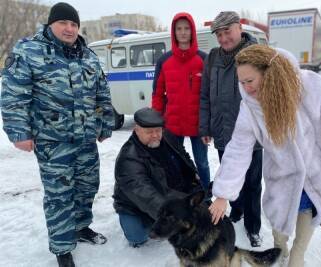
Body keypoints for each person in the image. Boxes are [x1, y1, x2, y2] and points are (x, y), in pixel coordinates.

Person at [209, 44, 321, 267]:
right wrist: (223, 194)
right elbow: (238, 149)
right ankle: (281, 248)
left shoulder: (310, 86)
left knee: (307, 218)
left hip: (318, 171)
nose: (246, 88)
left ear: (268, 73)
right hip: (282, 176)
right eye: (241, 82)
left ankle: (297, 256)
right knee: (280, 227)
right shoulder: (251, 107)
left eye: (249, 81)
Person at [1, 2, 114, 267]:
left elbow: (102, 93)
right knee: (59, 195)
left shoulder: (87, 55)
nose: (69, 28)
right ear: (51, 24)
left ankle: (80, 227)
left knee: (87, 187)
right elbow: (14, 95)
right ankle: (62, 248)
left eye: (74, 24)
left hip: (86, 138)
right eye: (63, 22)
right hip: (53, 142)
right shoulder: (29, 51)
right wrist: (19, 132)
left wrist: (105, 123)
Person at [199, 11, 263, 247]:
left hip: (251, 133)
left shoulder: (254, 54)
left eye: (227, 32)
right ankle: (237, 210)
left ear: (239, 27)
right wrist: (205, 125)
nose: (223, 38)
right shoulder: (213, 57)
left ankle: (253, 227)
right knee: (229, 176)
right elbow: (205, 94)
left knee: (253, 182)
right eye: (219, 34)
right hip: (223, 130)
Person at [113, 107, 203, 248]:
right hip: (136, 205)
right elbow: (145, 195)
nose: (155, 135)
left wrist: (195, 184)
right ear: (136, 130)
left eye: (158, 130)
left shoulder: (167, 136)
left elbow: (184, 157)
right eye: (149, 132)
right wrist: (175, 216)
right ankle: (133, 221)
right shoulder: (128, 159)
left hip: (169, 193)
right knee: (138, 236)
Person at [152, 12, 210, 190]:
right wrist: (156, 121)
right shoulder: (164, 61)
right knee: (174, 162)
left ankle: (206, 196)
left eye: (187, 28)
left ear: (192, 31)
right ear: (174, 32)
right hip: (173, 124)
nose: (183, 32)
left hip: (198, 125)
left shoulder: (203, 59)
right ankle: (179, 195)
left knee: (202, 163)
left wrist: (208, 125)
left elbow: (209, 95)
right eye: (179, 29)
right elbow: (157, 93)